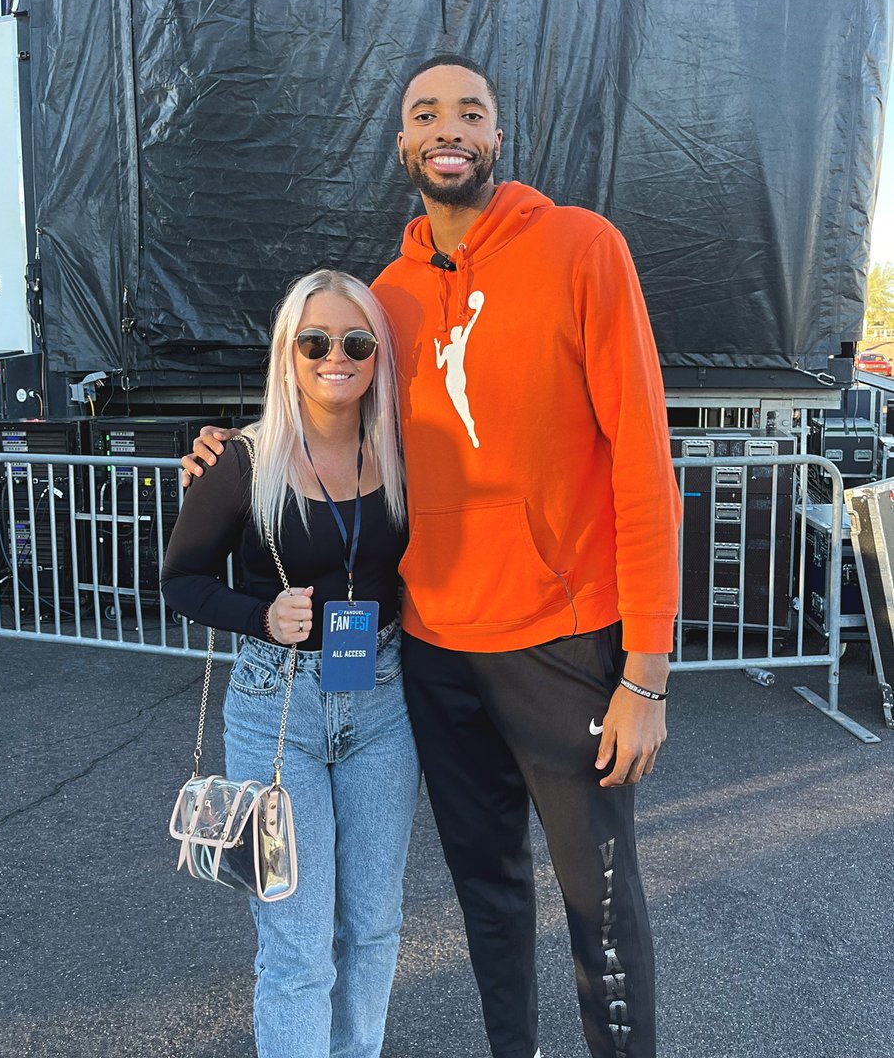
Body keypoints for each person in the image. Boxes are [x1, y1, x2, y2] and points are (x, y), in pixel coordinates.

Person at [184, 55, 681, 1058]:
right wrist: (233, 448)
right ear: (405, 145)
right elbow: (327, 403)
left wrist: (648, 670)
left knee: (601, 906)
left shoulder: (584, 248)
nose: (447, 127)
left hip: (569, 646)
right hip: (438, 654)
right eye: (424, 113)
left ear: (498, 138)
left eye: (470, 111)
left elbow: (643, 460)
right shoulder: (385, 300)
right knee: (489, 897)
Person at [162, 268, 420, 1058]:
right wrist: (261, 615)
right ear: (288, 352)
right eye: (314, 341)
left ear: (377, 354)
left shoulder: (403, 452)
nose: (334, 356)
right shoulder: (243, 460)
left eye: (355, 341)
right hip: (278, 707)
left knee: (374, 927)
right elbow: (181, 581)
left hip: (382, 701)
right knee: (298, 943)